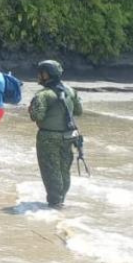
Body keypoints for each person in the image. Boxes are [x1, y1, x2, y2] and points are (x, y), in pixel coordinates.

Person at [29, 60, 83, 209]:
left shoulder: (43, 94)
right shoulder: (71, 91)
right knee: (64, 170)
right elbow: (78, 111)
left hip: (48, 137)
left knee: (50, 170)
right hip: (68, 136)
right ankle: (60, 200)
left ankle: (54, 203)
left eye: (40, 73)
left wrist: (31, 109)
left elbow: (37, 116)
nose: (38, 76)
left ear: (47, 74)